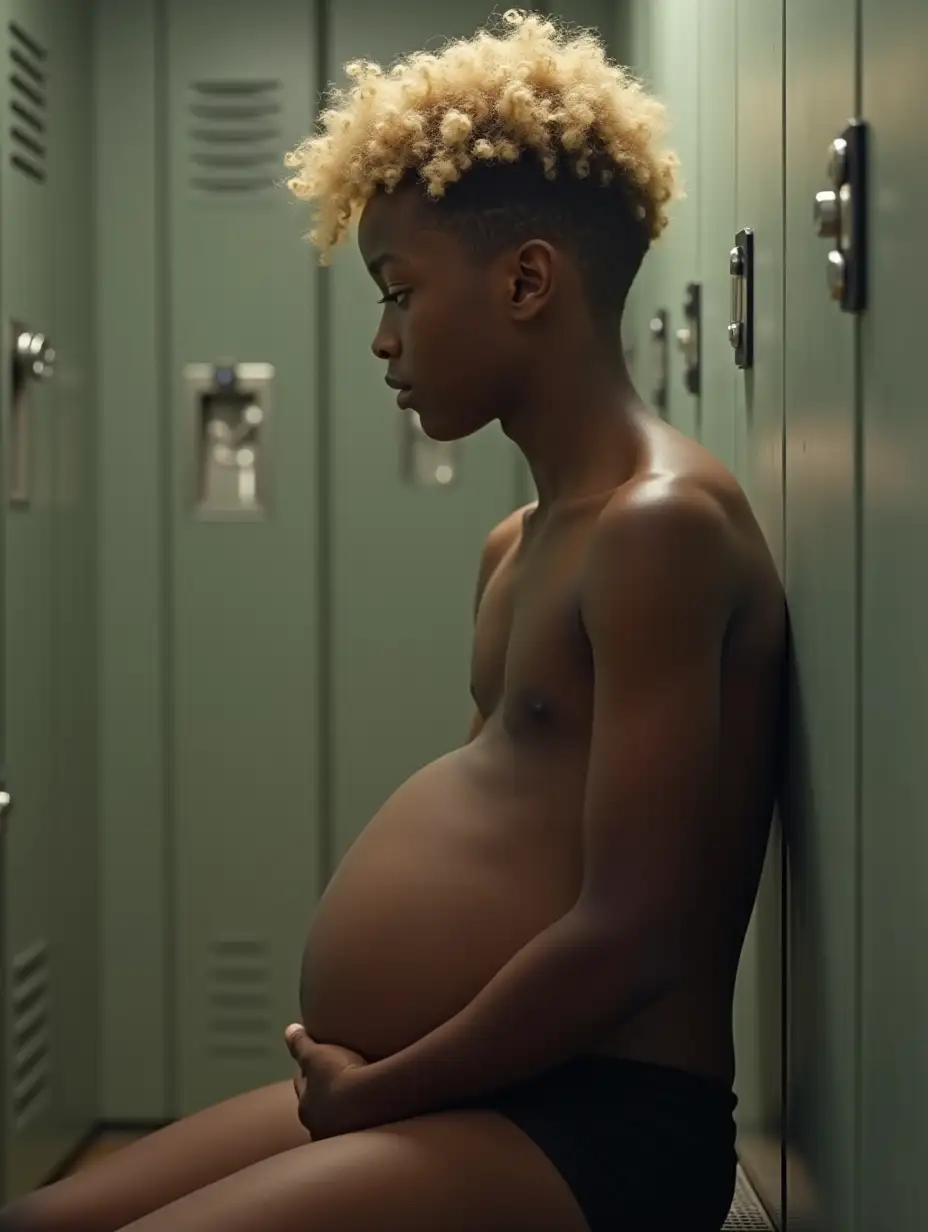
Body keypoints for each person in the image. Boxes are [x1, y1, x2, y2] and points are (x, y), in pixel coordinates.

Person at [1, 10, 785, 1231]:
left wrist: (382, 1093)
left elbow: (632, 933)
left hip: (599, 1128)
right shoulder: (516, 546)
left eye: (399, 292)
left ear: (527, 280)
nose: (382, 339)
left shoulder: (659, 528)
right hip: (473, 1081)